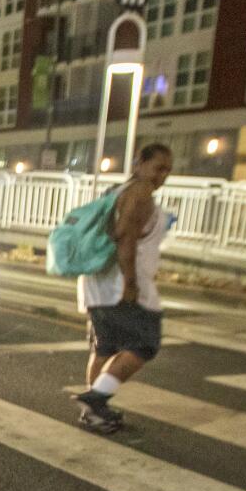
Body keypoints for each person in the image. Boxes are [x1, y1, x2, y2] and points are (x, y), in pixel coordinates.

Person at [75, 143, 174, 433]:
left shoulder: (115, 191)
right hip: (120, 285)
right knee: (145, 343)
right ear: (139, 163)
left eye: (168, 169)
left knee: (105, 347)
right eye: (158, 167)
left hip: (97, 282)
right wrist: (130, 283)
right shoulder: (140, 194)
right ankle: (96, 399)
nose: (162, 175)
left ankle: (93, 412)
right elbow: (125, 237)